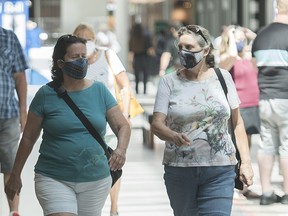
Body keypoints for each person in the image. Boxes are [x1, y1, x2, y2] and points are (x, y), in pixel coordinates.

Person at [5, 34, 131, 216]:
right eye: (75, 57)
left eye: (83, 57)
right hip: (53, 177)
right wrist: (15, 174)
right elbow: (28, 138)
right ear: (60, 63)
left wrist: (121, 150)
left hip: (95, 179)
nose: (81, 61)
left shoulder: (99, 90)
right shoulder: (45, 95)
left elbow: (122, 126)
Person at [151, 25, 254, 215]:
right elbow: (156, 124)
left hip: (220, 169)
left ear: (205, 51)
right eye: (180, 47)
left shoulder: (223, 78)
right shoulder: (169, 82)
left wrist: (246, 163)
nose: (183, 52)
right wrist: (172, 136)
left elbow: (237, 122)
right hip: (180, 169)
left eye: (189, 47)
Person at [73, 23, 131, 216]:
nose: (84, 44)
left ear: (94, 40)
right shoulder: (74, 61)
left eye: (88, 40)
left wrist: (126, 115)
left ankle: (113, 208)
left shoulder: (107, 56)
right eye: (80, 40)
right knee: (89, 166)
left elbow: (124, 85)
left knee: (113, 164)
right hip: (82, 127)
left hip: (109, 123)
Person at [251, 0, 288, 205]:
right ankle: (287, 193)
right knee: (286, 146)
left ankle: (266, 192)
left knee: (266, 145)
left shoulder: (261, 36)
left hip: (265, 99)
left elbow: (255, 66)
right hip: (286, 98)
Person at [219, 25, 260, 199]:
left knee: (246, 146)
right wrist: (231, 38)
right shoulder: (226, 58)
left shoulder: (249, 57)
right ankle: (233, 182)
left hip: (253, 104)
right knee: (234, 144)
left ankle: (243, 182)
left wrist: (254, 37)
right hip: (237, 106)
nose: (242, 41)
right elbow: (231, 57)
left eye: (243, 39)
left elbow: (265, 46)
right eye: (238, 39)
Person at [0, 27, 28, 216]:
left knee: (11, 166)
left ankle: (14, 211)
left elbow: (20, 77)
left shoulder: (9, 38)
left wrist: (23, 112)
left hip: (8, 114)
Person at [129, 23, 153, 94]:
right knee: (145, 75)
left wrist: (130, 62)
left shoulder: (132, 38)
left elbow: (130, 51)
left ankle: (136, 90)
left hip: (136, 58)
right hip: (145, 57)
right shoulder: (146, 37)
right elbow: (150, 48)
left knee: (136, 76)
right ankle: (145, 90)